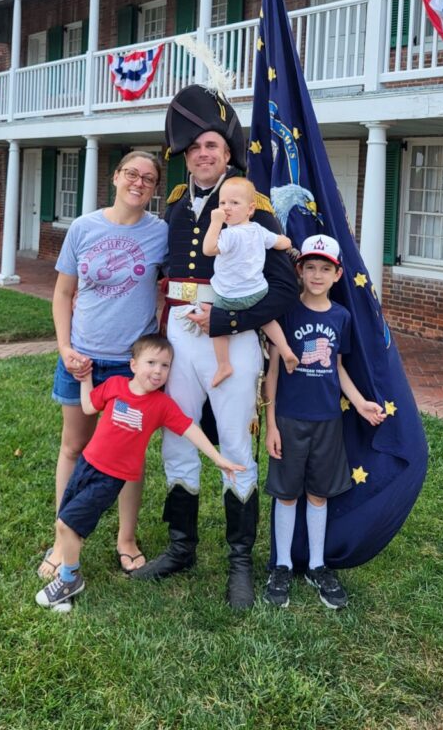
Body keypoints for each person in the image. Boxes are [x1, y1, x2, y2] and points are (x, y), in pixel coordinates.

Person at [132, 85, 299, 609]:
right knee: (178, 438)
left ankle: (239, 563)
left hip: (234, 336)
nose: (203, 155)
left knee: (232, 445)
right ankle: (182, 548)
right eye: (195, 148)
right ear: (185, 156)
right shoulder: (178, 202)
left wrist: (227, 316)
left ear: (228, 153)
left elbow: (285, 288)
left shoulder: (254, 206)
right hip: (180, 334)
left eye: (213, 146)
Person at [36, 334, 245, 611]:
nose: (158, 371)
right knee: (65, 519)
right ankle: (66, 587)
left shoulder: (161, 405)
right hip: (87, 465)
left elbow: (189, 428)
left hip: (110, 477)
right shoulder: (114, 385)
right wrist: (86, 380)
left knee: (67, 525)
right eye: (151, 363)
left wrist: (218, 457)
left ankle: (69, 579)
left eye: (165, 366)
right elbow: (88, 406)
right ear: (133, 365)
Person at [38, 150, 168, 581]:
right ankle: (63, 537)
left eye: (148, 178)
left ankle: (126, 539)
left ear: (154, 189)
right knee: (74, 446)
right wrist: (64, 347)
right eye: (131, 173)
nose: (138, 182)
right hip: (84, 360)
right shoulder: (83, 227)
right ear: (115, 177)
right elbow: (62, 294)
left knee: (129, 455)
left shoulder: (161, 233)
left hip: (134, 367)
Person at [262, 234, 386, 610]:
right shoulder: (286, 312)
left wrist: (360, 402)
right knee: (287, 493)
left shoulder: (341, 316)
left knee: (317, 493)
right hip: (288, 417)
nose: (317, 275)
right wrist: (271, 423)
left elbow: (338, 367)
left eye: (325, 269)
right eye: (311, 267)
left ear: (337, 274)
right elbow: (272, 372)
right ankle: (282, 565)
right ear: (300, 270)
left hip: (328, 419)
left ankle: (317, 564)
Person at [202, 175, 298, 388]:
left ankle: (223, 364)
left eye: (234, 203)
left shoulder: (228, 235)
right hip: (257, 292)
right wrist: (287, 241)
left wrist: (215, 222)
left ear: (250, 209)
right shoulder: (258, 230)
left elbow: (208, 249)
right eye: (222, 203)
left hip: (229, 296)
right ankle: (286, 351)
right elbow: (280, 242)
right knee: (267, 319)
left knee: (218, 326)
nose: (227, 208)